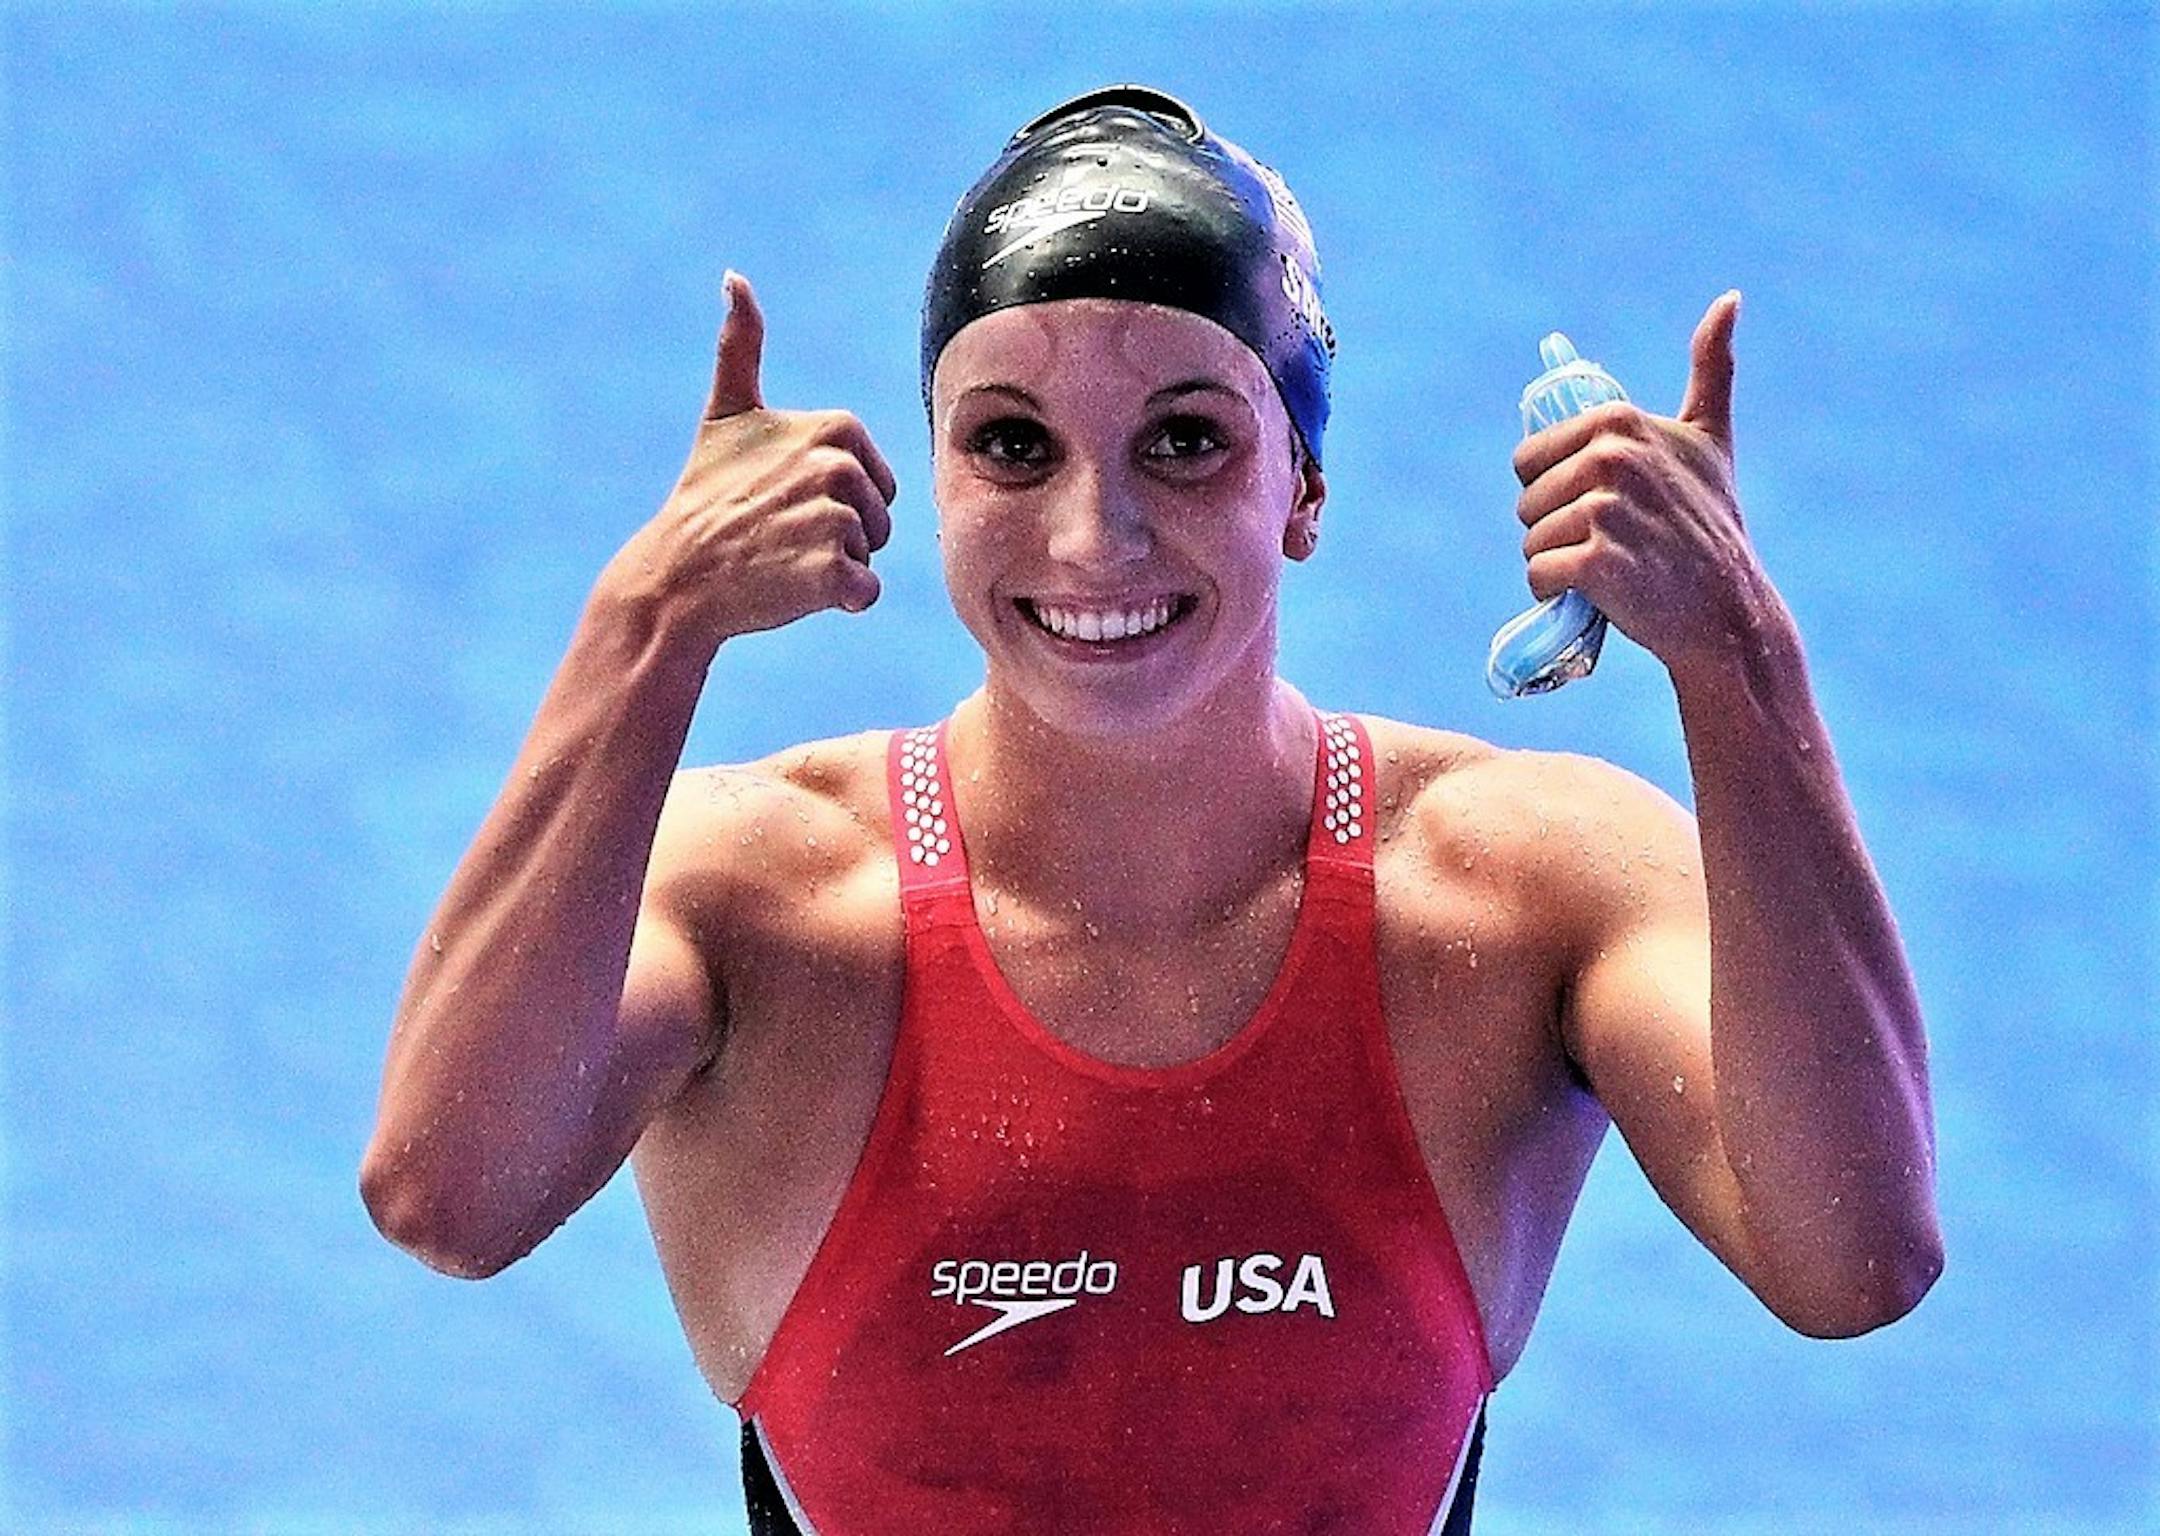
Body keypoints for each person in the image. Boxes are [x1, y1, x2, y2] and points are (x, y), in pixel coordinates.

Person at [361, 85, 1944, 1534]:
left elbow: (1853, 1259)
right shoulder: (765, 902)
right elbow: (447, 1195)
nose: (1094, 535)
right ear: (934, 479)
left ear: (1303, 488)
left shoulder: (1522, 895)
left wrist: (1740, 655)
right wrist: (647, 624)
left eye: (1186, 441)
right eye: (1012, 446)